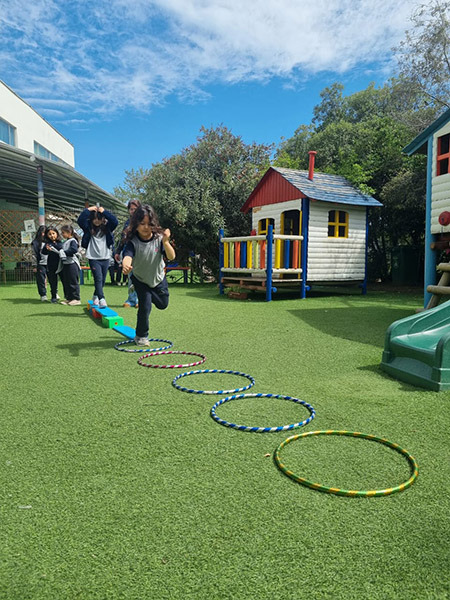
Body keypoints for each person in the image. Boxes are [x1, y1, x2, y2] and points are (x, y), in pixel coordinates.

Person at [122, 204, 175, 346]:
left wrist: (166, 242)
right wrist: (126, 265)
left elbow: (171, 257)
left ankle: (149, 295)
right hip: (140, 279)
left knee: (163, 304)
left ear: (154, 224)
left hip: (158, 278)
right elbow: (127, 256)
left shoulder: (159, 238)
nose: (146, 227)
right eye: (142, 223)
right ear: (136, 224)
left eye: (149, 224)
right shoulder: (133, 242)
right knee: (145, 306)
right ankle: (141, 336)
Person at [77, 205, 118, 308]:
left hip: (105, 257)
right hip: (93, 257)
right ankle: (102, 299)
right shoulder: (88, 227)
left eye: (99, 219)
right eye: (94, 219)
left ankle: (95, 295)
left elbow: (115, 221)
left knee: (102, 280)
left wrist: (104, 212)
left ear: (103, 219)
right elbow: (80, 220)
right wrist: (88, 210)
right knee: (98, 278)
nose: (96, 221)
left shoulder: (108, 228)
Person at [115, 199, 140, 307]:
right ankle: (131, 299)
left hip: (140, 252)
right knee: (131, 276)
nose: (133, 211)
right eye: (131, 209)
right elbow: (123, 238)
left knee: (139, 276)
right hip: (128, 252)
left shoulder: (142, 221)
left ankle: (140, 299)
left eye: (135, 209)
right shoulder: (127, 223)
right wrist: (118, 251)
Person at [57, 224, 81, 305]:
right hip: (66, 264)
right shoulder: (66, 241)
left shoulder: (73, 241)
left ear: (69, 232)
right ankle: (69, 298)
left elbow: (74, 250)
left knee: (73, 281)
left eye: (63, 232)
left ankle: (76, 298)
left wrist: (64, 252)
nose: (62, 234)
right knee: (66, 281)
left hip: (72, 264)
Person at [42, 226, 62, 303]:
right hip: (51, 265)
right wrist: (46, 249)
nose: (52, 235)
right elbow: (44, 252)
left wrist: (53, 246)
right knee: (53, 282)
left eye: (53, 233)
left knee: (65, 281)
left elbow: (60, 248)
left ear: (57, 233)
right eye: (49, 234)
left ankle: (68, 296)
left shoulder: (61, 242)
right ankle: (54, 297)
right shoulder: (47, 244)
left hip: (61, 264)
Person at [31, 225, 48, 301]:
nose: (43, 234)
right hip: (40, 264)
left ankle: (54, 294)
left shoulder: (50, 242)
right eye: (42, 232)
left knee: (53, 279)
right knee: (41, 279)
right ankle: (43, 294)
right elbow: (33, 254)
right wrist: (34, 265)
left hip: (50, 263)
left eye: (45, 232)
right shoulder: (35, 243)